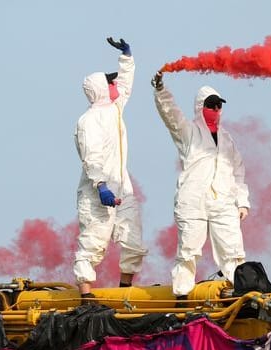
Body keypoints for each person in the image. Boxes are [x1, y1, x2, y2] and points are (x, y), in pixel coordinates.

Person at [151, 71, 250, 298]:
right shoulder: (189, 132)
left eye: (218, 106)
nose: (215, 109)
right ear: (200, 106)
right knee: (188, 250)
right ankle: (182, 297)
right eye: (210, 105)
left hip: (223, 200)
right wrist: (160, 90)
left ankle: (236, 294)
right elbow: (171, 116)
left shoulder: (227, 139)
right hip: (193, 199)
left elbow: (238, 172)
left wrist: (242, 202)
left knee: (233, 249)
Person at [73, 36, 147, 299]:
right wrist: (101, 185)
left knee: (133, 238)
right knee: (94, 240)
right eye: (110, 81)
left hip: (120, 185)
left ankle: (125, 290)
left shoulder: (114, 109)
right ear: (101, 89)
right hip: (97, 190)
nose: (115, 84)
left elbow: (125, 86)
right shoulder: (88, 120)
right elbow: (90, 157)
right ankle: (85, 294)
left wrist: (126, 58)